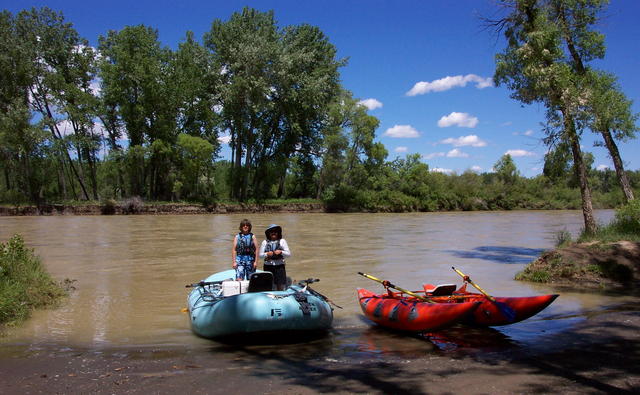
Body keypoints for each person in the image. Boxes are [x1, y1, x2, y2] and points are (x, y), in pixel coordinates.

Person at [259, 224, 291, 291]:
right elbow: (260, 256)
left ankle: (280, 296)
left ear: (278, 233)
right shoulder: (264, 242)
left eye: (275, 231)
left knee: (280, 284)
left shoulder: (282, 241)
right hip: (268, 266)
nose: (273, 233)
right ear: (268, 233)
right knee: (268, 284)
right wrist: (266, 254)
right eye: (271, 231)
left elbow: (288, 254)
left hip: (280, 266)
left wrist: (281, 252)